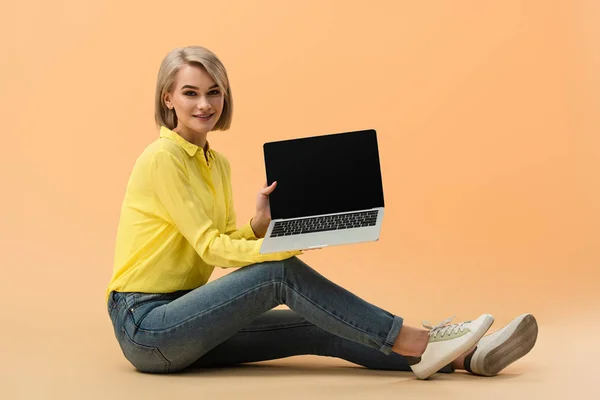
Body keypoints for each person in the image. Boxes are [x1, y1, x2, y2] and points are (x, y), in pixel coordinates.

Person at [106, 46, 538, 379]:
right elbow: (211, 249)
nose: (205, 104)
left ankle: (463, 357)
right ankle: (415, 336)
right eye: (191, 93)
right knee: (279, 274)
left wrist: (261, 225)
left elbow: (219, 237)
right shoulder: (162, 158)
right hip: (146, 326)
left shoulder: (215, 163)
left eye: (214, 91)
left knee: (320, 323)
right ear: (168, 98)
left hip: (187, 315)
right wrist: (280, 252)